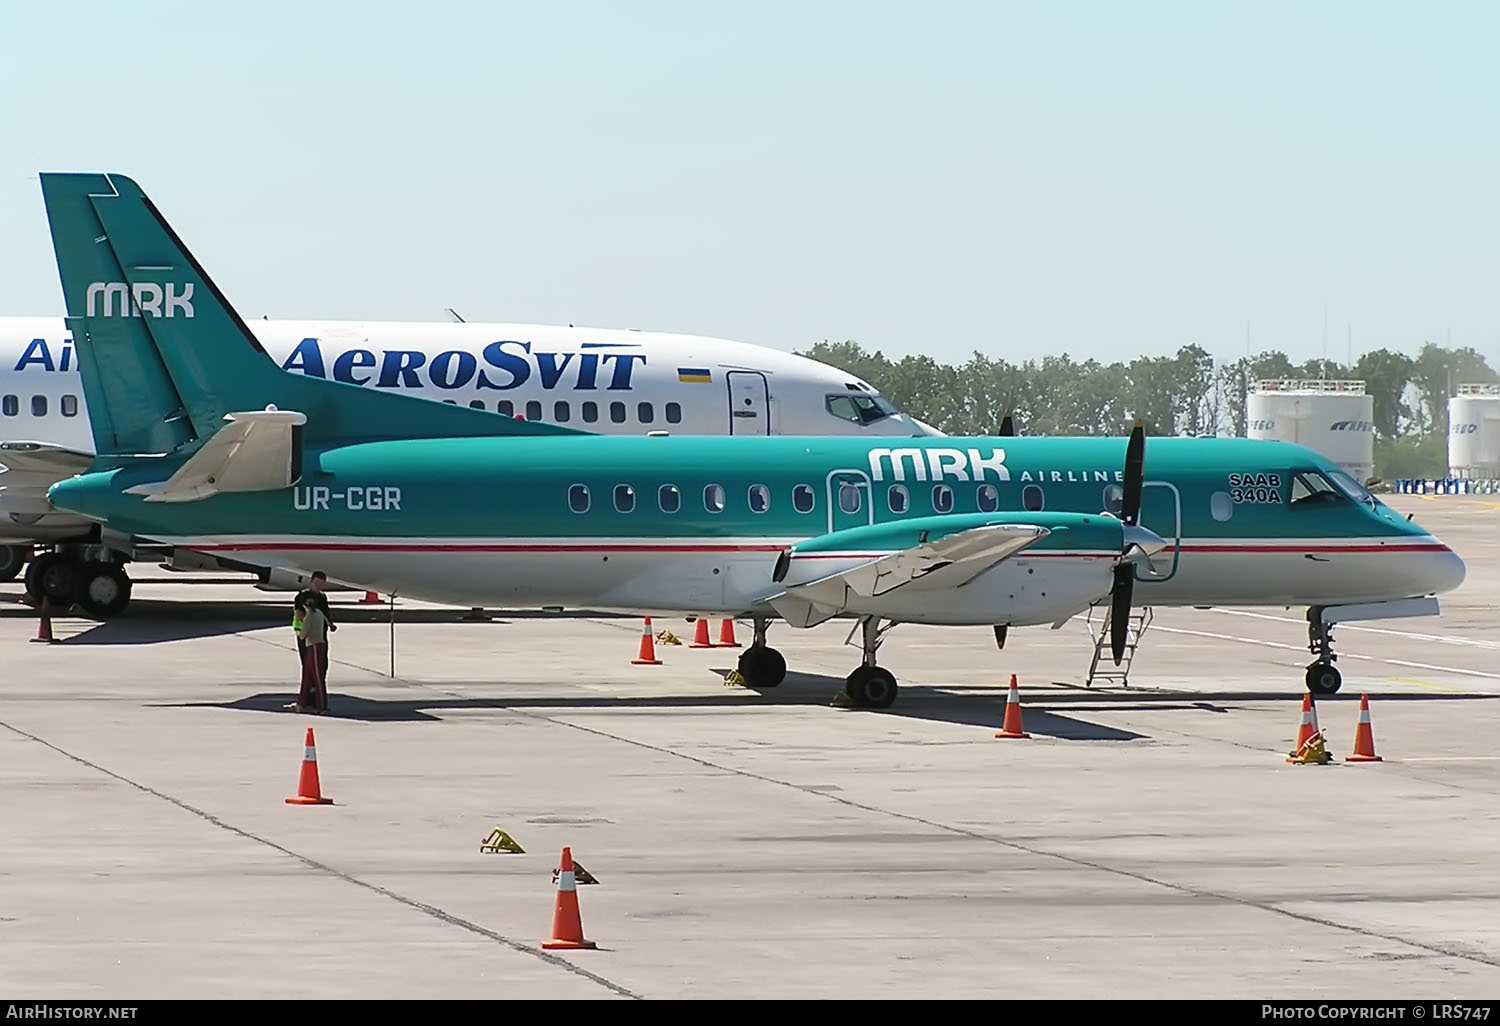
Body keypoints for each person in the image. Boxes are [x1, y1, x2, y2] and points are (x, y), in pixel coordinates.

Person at [286, 594, 329, 713]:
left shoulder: (309, 617)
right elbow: (329, 623)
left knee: (316, 675)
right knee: (308, 674)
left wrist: (299, 631)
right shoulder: (319, 612)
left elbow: (303, 635)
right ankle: (302, 702)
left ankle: (321, 705)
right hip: (317, 644)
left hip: (314, 646)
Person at [293, 571, 337, 684]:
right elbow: (299, 615)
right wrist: (310, 622)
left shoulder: (322, 596)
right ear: (311, 582)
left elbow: (325, 613)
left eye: (321, 585)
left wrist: (330, 624)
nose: (318, 587)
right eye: (316, 584)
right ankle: (310, 687)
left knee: (322, 663)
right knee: (308, 663)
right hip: (307, 635)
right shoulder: (302, 596)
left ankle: (318, 684)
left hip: (320, 635)